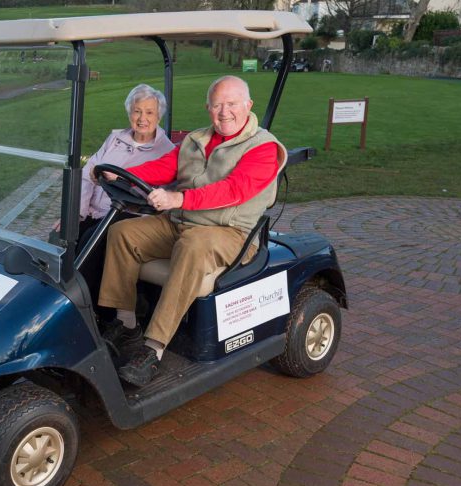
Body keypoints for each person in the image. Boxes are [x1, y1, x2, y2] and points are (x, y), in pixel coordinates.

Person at [96, 75, 287, 386]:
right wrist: (121, 175)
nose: (224, 112)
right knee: (123, 233)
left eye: (232, 104)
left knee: (193, 245)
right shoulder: (196, 139)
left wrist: (178, 198)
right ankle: (125, 322)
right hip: (182, 222)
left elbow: (232, 191)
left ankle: (153, 348)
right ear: (208, 108)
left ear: (248, 105)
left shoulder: (263, 148)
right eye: (217, 105)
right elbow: (165, 167)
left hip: (231, 232)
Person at [55, 84, 173, 322]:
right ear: (129, 112)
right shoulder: (115, 138)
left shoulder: (166, 151)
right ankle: (57, 300)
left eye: (149, 112)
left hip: (133, 215)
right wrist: (77, 213)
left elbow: (159, 195)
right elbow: (90, 172)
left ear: (158, 115)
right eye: (137, 111)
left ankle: (87, 315)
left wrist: (113, 181)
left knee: (92, 241)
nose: (142, 118)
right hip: (99, 211)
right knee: (64, 234)